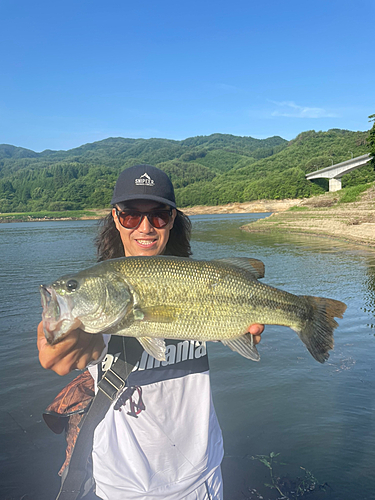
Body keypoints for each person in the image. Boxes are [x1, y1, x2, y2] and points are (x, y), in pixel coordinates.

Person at [38, 164, 264, 500]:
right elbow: (52, 355)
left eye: (158, 215)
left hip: (203, 476)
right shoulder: (98, 296)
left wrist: (242, 331)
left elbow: (236, 323)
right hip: (125, 485)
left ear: (173, 219)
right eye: (131, 215)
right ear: (116, 218)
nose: (145, 226)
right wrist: (62, 339)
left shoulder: (197, 278)